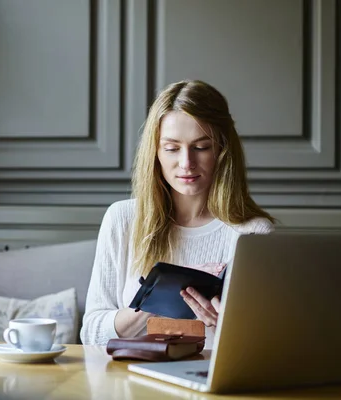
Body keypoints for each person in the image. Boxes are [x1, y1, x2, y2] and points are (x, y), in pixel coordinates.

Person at [80, 79, 274, 346]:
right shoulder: (122, 219)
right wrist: (155, 300)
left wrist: (228, 325)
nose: (186, 163)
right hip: (133, 379)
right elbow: (91, 333)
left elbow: (266, 344)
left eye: (201, 147)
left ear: (222, 151)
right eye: (172, 148)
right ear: (156, 152)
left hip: (211, 382)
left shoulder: (253, 232)